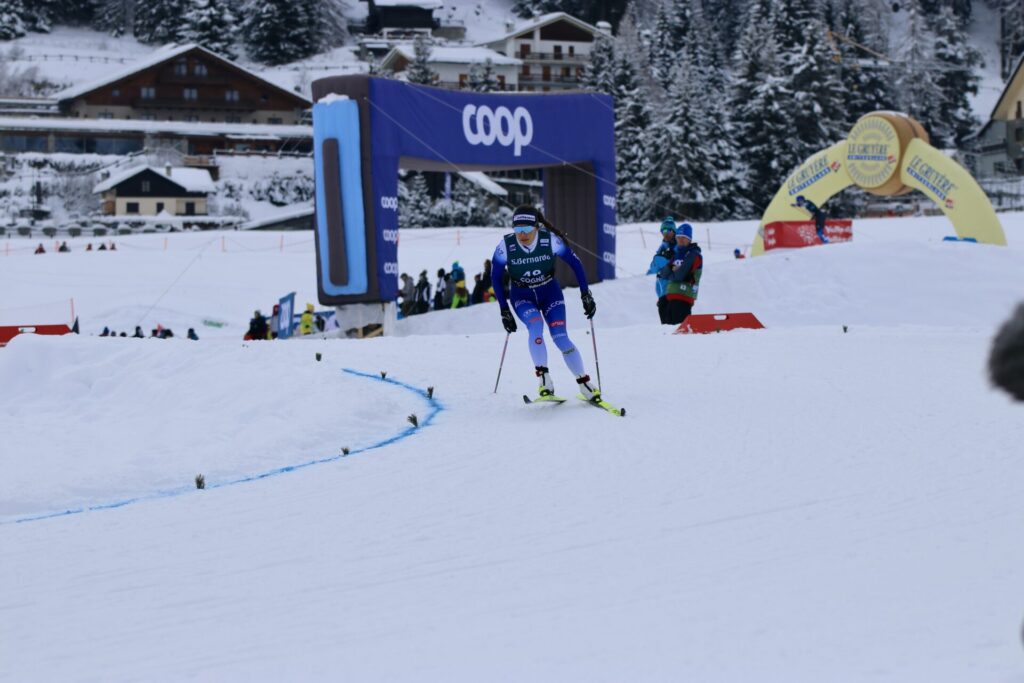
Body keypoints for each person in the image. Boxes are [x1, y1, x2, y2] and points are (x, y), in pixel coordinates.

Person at [491, 205, 600, 400]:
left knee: (560, 336)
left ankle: (584, 383)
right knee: (535, 326)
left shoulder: (549, 240)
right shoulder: (505, 246)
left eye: (526, 230)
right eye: (517, 230)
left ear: (536, 227)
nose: (521, 234)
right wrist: (503, 309)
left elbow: (576, 263)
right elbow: (495, 276)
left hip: (550, 293)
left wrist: (586, 294)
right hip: (522, 297)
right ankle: (544, 379)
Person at [658, 222, 702, 325]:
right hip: (672, 295)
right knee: (662, 304)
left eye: (684, 238)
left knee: (677, 328)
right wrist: (673, 268)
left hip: (684, 296)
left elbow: (679, 276)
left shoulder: (693, 255)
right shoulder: (677, 255)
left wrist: (672, 271)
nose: (680, 240)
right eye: (678, 238)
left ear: (689, 239)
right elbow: (663, 273)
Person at [648, 217, 677, 324]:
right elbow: (652, 268)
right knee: (664, 324)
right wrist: (660, 260)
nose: (665, 233)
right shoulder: (662, 247)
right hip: (661, 292)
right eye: (663, 231)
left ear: (674, 231)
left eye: (668, 230)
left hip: (672, 291)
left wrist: (661, 260)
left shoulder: (678, 246)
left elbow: (674, 266)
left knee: (670, 323)